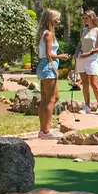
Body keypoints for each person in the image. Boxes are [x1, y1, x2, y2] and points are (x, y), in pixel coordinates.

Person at [35, 9, 70, 139]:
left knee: (46, 99)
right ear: (51, 19)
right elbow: (49, 54)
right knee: (52, 99)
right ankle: (46, 131)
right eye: (57, 18)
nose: (59, 21)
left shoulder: (44, 33)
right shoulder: (48, 34)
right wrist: (61, 56)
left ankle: (43, 130)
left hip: (44, 66)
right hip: (48, 66)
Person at [74, 10, 98, 115]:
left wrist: (89, 53)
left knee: (94, 83)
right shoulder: (83, 30)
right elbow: (80, 44)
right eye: (83, 18)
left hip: (92, 58)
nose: (84, 20)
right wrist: (76, 53)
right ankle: (87, 106)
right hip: (81, 57)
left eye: (86, 18)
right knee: (85, 83)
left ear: (92, 18)